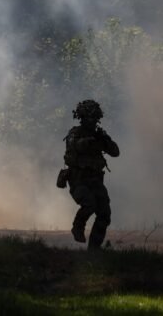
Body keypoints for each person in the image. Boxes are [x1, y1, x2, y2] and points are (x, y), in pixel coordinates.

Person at [62, 99, 119, 250]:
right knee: (89, 205)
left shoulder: (99, 135)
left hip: (95, 181)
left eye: (95, 117)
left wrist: (104, 140)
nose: (92, 120)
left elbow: (115, 152)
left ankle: (94, 249)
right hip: (78, 180)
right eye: (89, 117)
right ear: (82, 117)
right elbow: (76, 146)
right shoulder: (75, 133)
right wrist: (89, 141)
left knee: (104, 213)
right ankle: (77, 227)